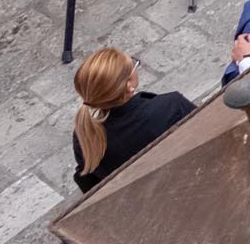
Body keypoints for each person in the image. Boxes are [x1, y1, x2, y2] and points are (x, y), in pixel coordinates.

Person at [72, 47, 193, 193]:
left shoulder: (84, 137)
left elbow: (90, 184)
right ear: (129, 86)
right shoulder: (172, 106)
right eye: (134, 65)